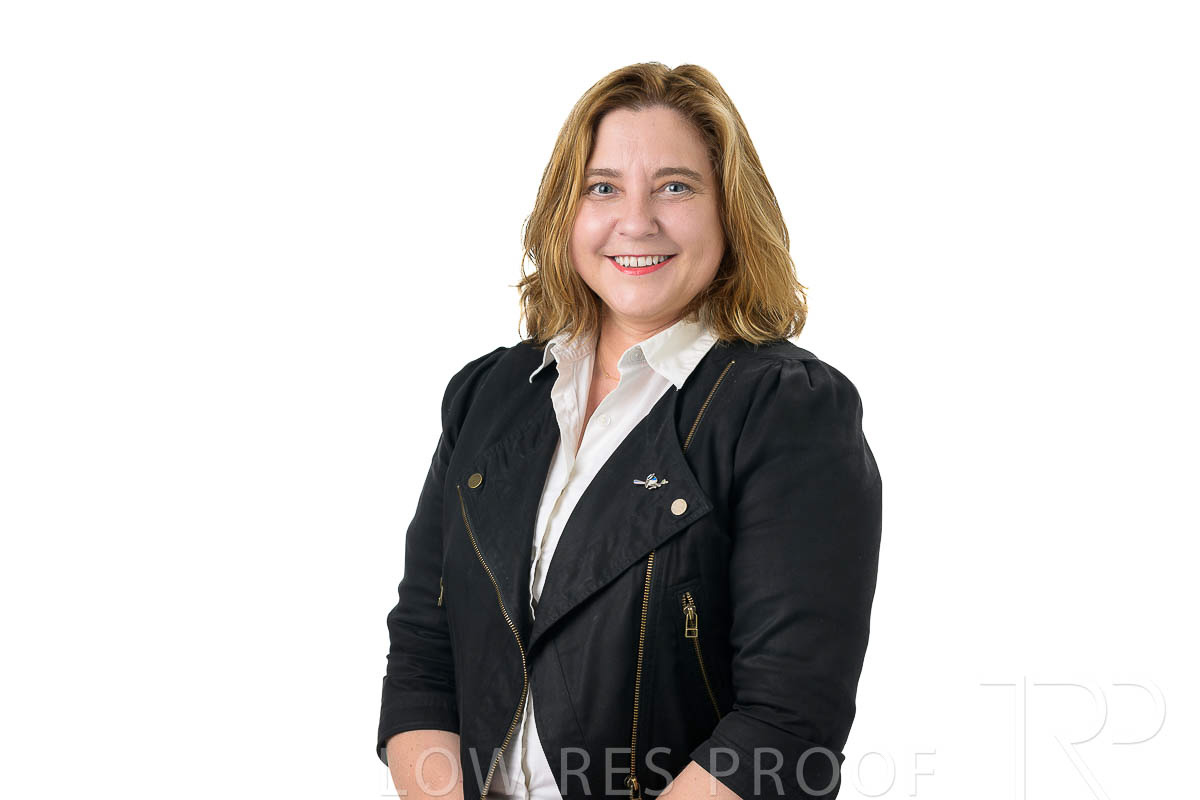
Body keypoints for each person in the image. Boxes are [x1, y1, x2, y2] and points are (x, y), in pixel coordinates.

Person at [376, 62, 882, 800]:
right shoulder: (488, 396)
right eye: (603, 187)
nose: (637, 221)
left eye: (675, 187)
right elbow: (424, 654)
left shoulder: (787, 411)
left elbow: (784, 724)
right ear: (566, 211)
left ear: (730, 212)